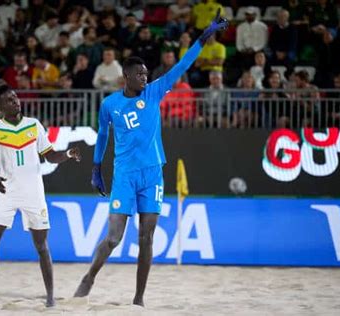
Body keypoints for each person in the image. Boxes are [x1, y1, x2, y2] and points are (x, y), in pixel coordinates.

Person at [73, 12, 228, 306]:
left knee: (147, 238)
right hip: (125, 175)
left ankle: (139, 298)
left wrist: (204, 37)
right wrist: (96, 168)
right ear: (126, 77)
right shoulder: (110, 104)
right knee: (114, 238)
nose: (146, 77)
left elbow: (183, 65)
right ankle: (91, 274)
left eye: (147, 73)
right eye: (140, 74)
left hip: (153, 175)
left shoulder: (155, 91)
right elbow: (103, 136)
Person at [0, 84, 81, 307]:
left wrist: (68, 154)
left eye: (15, 97)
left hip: (34, 194)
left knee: (42, 246)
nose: (15, 101)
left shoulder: (34, 125)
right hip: (6, 191)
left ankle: (51, 297)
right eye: (8, 100)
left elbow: (51, 156)